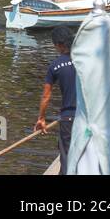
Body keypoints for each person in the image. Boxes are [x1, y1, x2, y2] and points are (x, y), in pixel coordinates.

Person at [35, 25, 77, 174]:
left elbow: (46, 96)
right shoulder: (85, 60)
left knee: (66, 161)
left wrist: (41, 118)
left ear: (59, 45)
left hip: (68, 119)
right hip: (87, 116)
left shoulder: (55, 66)